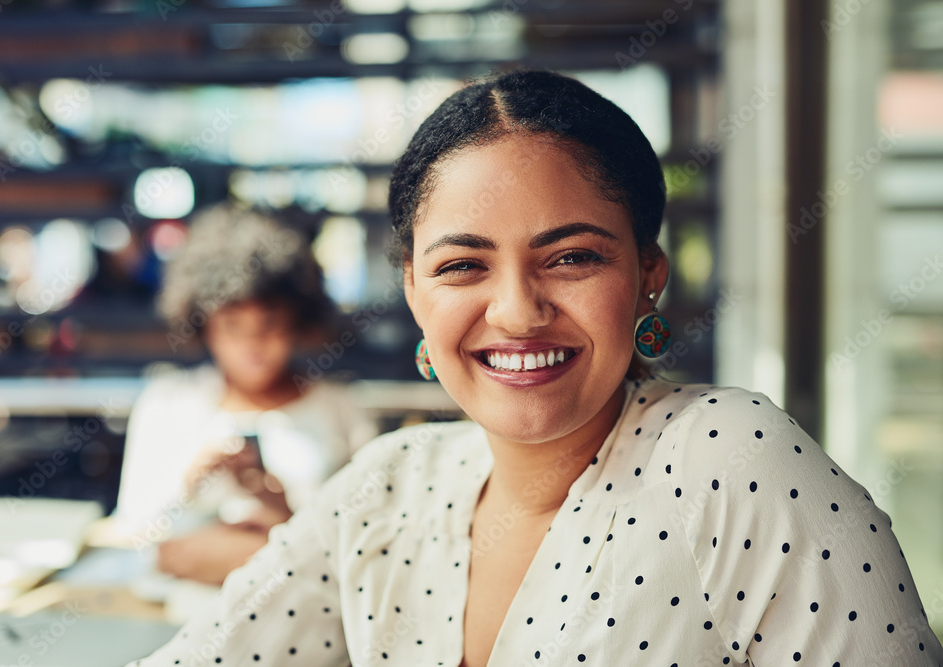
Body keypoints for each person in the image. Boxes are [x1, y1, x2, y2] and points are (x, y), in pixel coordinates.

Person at [125, 69, 943, 665]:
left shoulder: (730, 460)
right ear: (412, 289)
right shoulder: (390, 488)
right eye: (462, 266)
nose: (517, 311)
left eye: (572, 256)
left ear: (648, 272)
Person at [113, 204, 377, 586]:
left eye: (270, 325)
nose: (253, 345)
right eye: (233, 327)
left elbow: (363, 542)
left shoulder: (341, 410)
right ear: (204, 326)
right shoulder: (167, 404)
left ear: (296, 321)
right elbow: (133, 532)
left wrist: (283, 513)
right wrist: (187, 484)